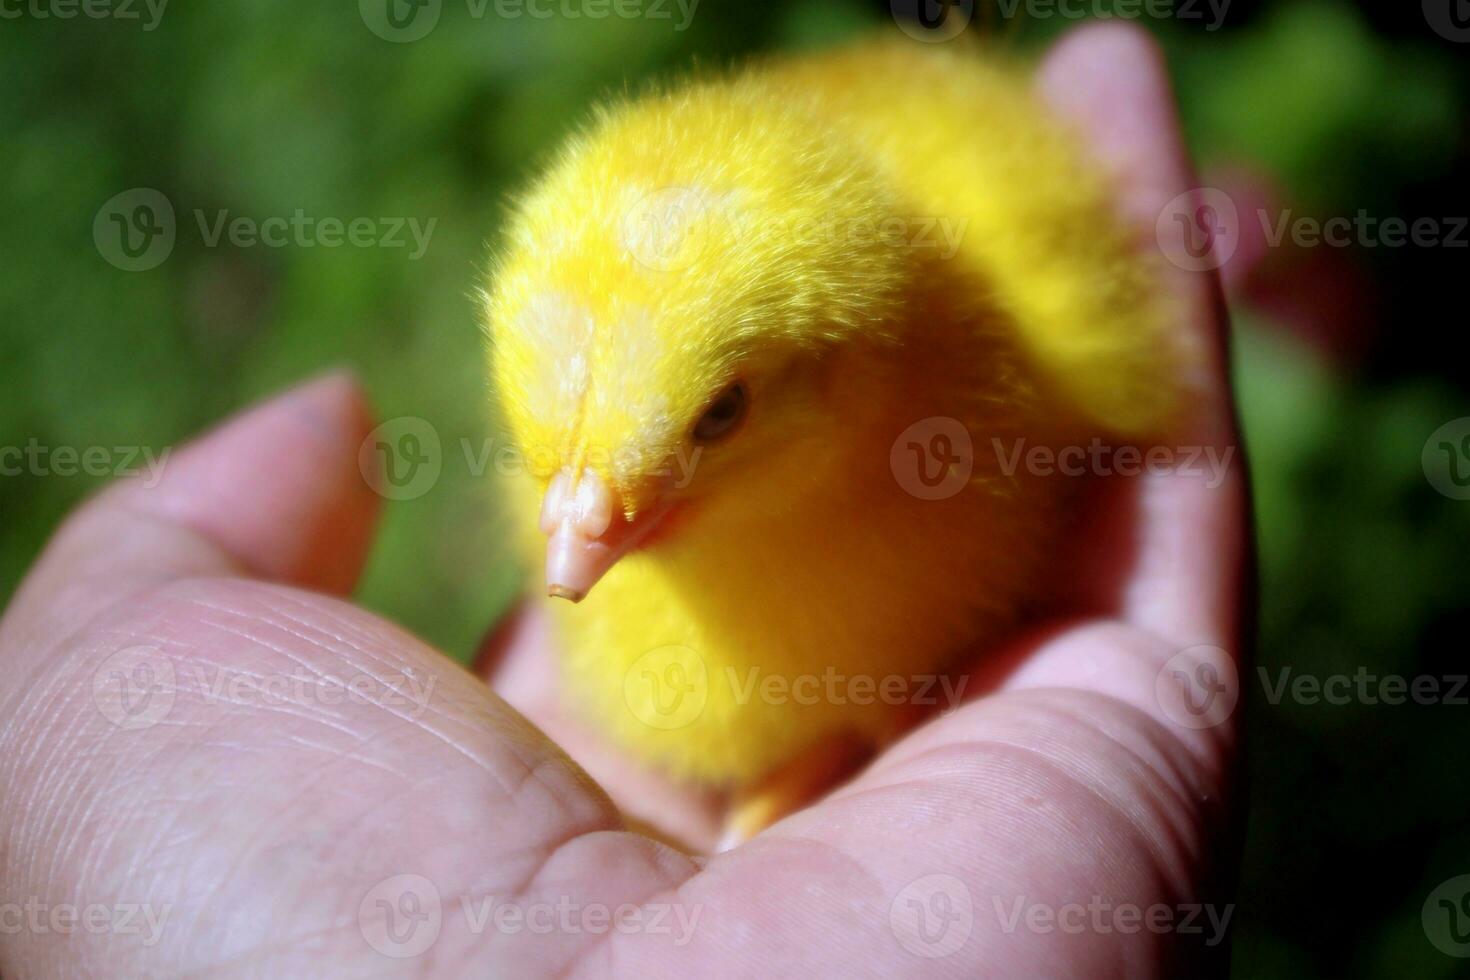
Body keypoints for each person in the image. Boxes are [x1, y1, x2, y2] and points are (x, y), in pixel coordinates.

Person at [0, 23, 1247, 977]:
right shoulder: (630, 462)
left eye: (715, 418)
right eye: (553, 472)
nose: (572, 547)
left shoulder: (1006, 352)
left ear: (847, 371)